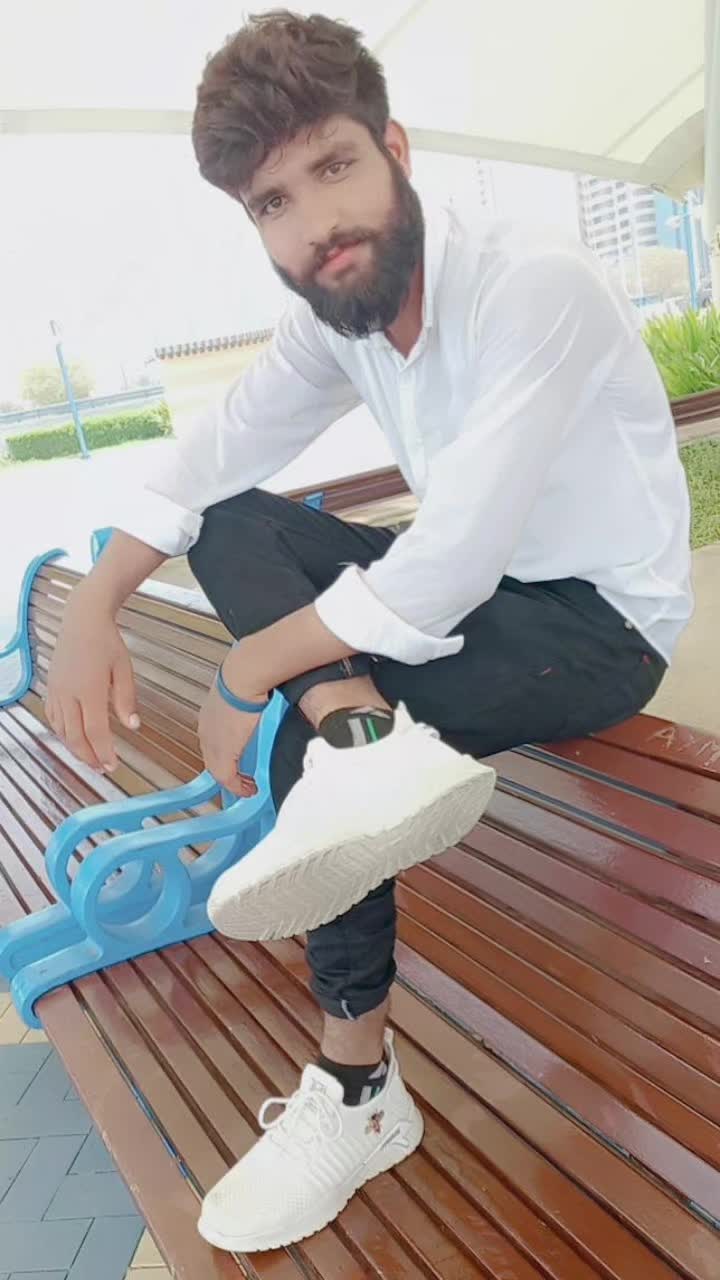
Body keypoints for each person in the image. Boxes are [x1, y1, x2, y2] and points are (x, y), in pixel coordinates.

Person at [45, 9, 693, 1255]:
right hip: (479, 598)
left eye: (334, 166)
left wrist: (251, 667)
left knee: (301, 738)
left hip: (602, 620)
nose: (316, 223)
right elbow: (210, 461)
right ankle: (359, 745)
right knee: (235, 522)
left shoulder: (531, 283)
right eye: (273, 202)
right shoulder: (339, 317)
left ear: (394, 150)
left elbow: (448, 561)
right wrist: (94, 600)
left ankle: (359, 1087)